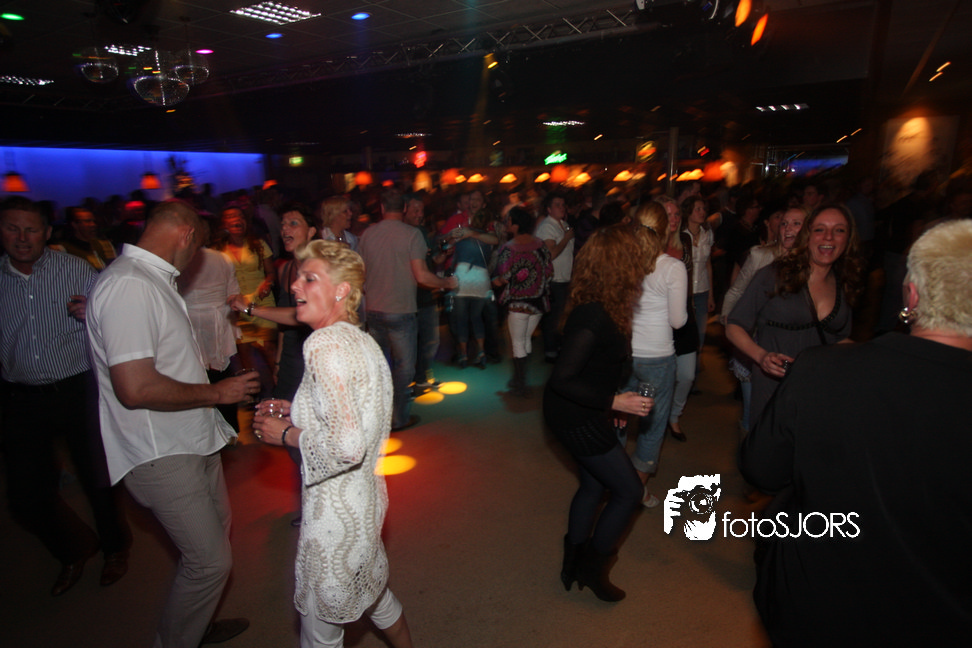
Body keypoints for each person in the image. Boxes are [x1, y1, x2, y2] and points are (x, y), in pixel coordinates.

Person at [738, 219, 972, 647]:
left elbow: (762, 469)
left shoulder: (822, 370)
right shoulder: (777, 283)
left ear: (911, 295)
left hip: (817, 601)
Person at [87, 199, 259, 648]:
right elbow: (135, 388)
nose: (195, 258)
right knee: (209, 562)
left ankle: (195, 625)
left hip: (191, 436)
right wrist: (218, 394)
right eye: (197, 247)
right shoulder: (129, 285)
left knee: (215, 538)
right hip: (161, 450)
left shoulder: (148, 279)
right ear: (186, 235)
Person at [252, 240, 414, 648]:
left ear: (342, 290)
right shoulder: (361, 340)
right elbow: (353, 414)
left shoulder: (322, 345)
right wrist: (296, 410)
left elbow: (346, 447)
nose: (295, 286)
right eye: (298, 278)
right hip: (366, 504)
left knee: (319, 630)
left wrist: (286, 434)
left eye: (310, 278)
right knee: (376, 597)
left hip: (335, 520)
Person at [0, 196, 128, 596]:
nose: (22, 238)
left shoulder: (75, 269)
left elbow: (115, 322)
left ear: (47, 232)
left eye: (31, 229)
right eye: (13, 228)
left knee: (97, 476)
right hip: (20, 396)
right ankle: (75, 546)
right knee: (24, 496)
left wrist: (94, 313)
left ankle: (115, 547)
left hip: (76, 388)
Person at [544, 225, 655, 603]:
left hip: (585, 409)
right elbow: (562, 379)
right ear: (620, 267)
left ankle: (572, 565)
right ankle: (593, 570)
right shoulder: (593, 316)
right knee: (630, 491)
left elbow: (601, 367)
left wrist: (613, 401)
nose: (641, 267)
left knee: (593, 485)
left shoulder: (607, 304)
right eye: (635, 260)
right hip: (573, 416)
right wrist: (614, 402)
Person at [726, 205, 863, 429]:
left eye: (839, 230)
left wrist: (874, 356)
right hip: (775, 384)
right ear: (807, 235)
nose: (828, 237)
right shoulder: (774, 275)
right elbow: (734, 325)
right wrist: (761, 356)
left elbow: (837, 339)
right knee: (770, 446)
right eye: (820, 229)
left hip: (820, 385)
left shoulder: (843, 282)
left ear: (848, 239)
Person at [358, 188, 456, 431]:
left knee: (378, 366)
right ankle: (398, 418)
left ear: (381, 208)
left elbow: (359, 272)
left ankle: (376, 417)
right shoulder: (412, 234)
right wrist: (446, 283)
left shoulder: (367, 235)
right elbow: (422, 276)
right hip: (401, 311)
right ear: (403, 208)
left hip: (373, 310)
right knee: (404, 367)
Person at [624, 202, 688, 506]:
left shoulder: (623, 261)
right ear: (666, 231)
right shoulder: (673, 268)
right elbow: (677, 321)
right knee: (651, 426)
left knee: (618, 419)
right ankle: (634, 491)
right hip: (657, 359)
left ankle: (613, 481)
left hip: (625, 354)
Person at [720, 207, 806, 433]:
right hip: (755, 344)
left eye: (796, 223)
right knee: (755, 414)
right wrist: (730, 322)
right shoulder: (760, 256)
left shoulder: (815, 266)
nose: (788, 228)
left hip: (793, 351)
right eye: (784, 223)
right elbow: (736, 290)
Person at [176, 222, 242, 432]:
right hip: (218, 321)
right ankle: (230, 427)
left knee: (197, 377)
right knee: (222, 374)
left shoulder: (180, 260)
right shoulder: (222, 258)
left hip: (191, 323)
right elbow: (233, 294)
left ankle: (208, 429)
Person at [215, 205, 277, 397]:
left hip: (261, 302)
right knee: (245, 354)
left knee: (269, 349)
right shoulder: (218, 250)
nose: (237, 219)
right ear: (224, 224)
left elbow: (271, 272)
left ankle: (280, 391)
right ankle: (253, 396)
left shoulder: (258, 244)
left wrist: (267, 283)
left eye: (240, 215)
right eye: (231, 216)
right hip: (236, 305)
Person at [493, 206, 553, 396]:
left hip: (518, 303)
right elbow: (549, 271)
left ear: (515, 223)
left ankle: (520, 382)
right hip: (538, 303)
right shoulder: (540, 244)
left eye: (508, 220)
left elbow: (504, 276)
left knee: (518, 342)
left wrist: (495, 281)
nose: (506, 223)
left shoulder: (509, 248)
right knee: (525, 339)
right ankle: (519, 378)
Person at [657, 195, 696, 443]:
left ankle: (674, 414)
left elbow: (689, 278)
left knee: (687, 375)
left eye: (676, 214)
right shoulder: (650, 244)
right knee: (662, 376)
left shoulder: (685, 240)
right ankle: (661, 419)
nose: (673, 219)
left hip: (684, 314)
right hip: (659, 317)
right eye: (667, 214)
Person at [536, 192, 575, 362]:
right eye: (557, 205)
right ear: (549, 209)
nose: (561, 207)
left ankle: (558, 347)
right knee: (553, 317)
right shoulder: (547, 226)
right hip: (554, 280)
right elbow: (550, 254)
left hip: (565, 278)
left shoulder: (564, 224)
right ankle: (550, 351)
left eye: (563, 204)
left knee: (562, 316)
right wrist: (566, 239)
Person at [683, 196, 715, 357]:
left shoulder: (707, 234)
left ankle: (696, 364)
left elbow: (708, 265)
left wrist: (711, 295)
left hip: (702, 289)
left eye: (703, 209)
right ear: (688, 212)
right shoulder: (681, 235)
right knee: (687, 334)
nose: (702, 212)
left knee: (700, 335)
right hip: (685, 291)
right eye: (698, 209)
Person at [50, 206, 117, 270]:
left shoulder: (104, 245)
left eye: (94, 221)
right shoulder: (63, 249)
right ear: (75, 224)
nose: (93, 225)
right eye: (87, 221)